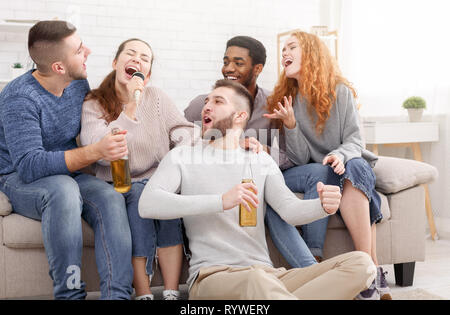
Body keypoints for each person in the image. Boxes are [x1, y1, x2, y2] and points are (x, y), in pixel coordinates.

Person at [138, 79, 377, 300]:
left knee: (361, 264)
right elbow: (147, 204)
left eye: (218, 101)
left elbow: (289, 209)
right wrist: (221, 200)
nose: (207, 107)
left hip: (268, 275)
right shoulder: (183, 156)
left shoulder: (259, 159)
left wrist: (322, 206)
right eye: (206, 101)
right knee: (257, 281)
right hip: (212, 277)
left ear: (240, 115)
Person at [0, 20, 133, 299]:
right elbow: (29, 165)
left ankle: (117, 296)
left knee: (110, 197)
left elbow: (98, 110)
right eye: (80, 50)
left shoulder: (76, 83)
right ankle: (70, 295)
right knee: (63, 190)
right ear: (59, 67)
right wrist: (96, 151)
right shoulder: (19, 98)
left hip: (68, 173)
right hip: (18, 177)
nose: (89, 51)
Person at [264, 30, 391, 300]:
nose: (285, 53)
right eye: (283, 49)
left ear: (311, 53)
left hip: (347, 164)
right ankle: (371, 269)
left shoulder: (340, 92)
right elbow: (298, 160)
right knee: (329, 170)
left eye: (292, 47)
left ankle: (367, 266)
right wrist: (291, 125)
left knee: (355, 166)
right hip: (315, 172)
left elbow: (356, 141)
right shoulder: (290, 99)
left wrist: (340, 155)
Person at [184, 36, 318, 268]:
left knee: (302, 181)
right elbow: (178, 143)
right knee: (265, 200)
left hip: (259, 179)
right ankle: (310, 270)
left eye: (238, 62)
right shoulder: (203, 104)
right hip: (222, 182)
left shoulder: (273, 104)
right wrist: (214, 144)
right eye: (226, 61)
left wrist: (265, 149)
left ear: (257, 69)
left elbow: (293, 159)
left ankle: (314, 263)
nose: (229, 68)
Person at [80, 38, 199, 300]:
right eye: (131, 54)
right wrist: (131, 107)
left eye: (145, 58)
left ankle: (170, 292)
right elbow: (97, 147)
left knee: (168, 202)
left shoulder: (156, 97)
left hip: (155, 179)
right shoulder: (94, 102)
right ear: (115, 62)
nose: (137, 60)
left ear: (148, 73)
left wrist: (181, 144)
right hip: (118, 183)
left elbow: (182, 128)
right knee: (138, 199)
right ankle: (144, 294)